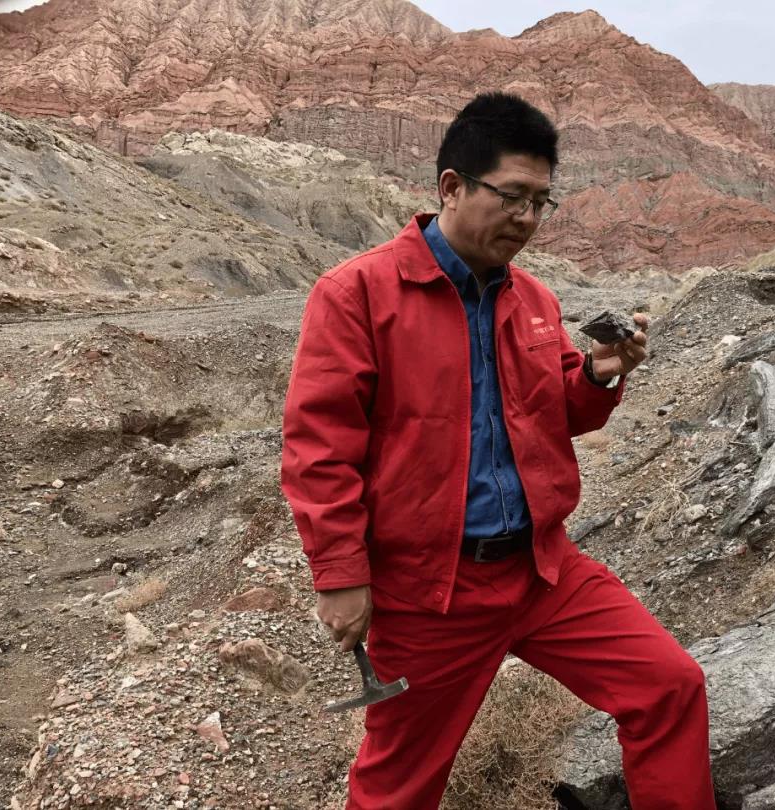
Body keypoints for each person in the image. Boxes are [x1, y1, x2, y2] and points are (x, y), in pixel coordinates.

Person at [281, 92, 716, 810]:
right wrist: (339, 573)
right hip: (429, 594)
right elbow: (319, 447)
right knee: (398, 788)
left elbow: (552, 416)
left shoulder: (534, 300)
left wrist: (597, 377)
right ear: (452, 187)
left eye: (542, 202)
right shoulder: (357, 294)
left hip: (545, 571)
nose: (528, 218)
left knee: (668, 685)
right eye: (513, 197)